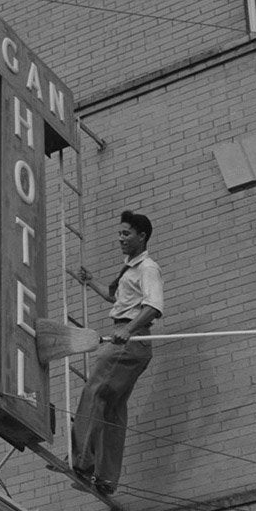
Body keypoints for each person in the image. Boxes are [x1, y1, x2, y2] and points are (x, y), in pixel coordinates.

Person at [70, 210, 164, 495]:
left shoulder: (147, 268)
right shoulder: (131, 269)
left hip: (128, 341)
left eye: (126, 234)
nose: (120, 239)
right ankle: (106, 478)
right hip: (131, 340)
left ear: (142, 236)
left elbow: (153, 306)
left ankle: (82, 461)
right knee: (112, 408)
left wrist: (130, 329)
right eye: (119, 234)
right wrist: (93, 282)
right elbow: (118, 299)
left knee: (95, 390)